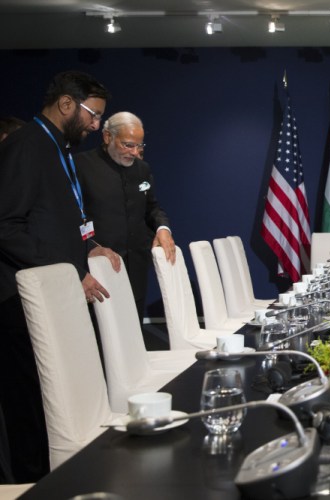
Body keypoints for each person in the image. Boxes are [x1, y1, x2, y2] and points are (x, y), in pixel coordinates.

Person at [0, 71, 120, 482]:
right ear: (67, 104)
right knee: (31, 406)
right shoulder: (25, 146)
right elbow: (7, 226)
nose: (97, 125)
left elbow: (55, 218)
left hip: (56, 294)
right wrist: (68, 274)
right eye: (94, 114)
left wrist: (90, 247)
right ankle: (29, 485)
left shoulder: (58, 147)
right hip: (20, 302)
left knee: (57, 400)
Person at [76, 112, 175, 322]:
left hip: (137, 266)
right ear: (107, 137)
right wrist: (89, 248)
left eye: (140, 146)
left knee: (134, 330)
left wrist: (162, 229)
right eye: (128, 145)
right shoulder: (80, 166)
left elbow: (152, 208)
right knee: (103, 334)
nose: (135, 152)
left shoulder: (142, 169)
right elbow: (71, 218)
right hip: (98, 267)